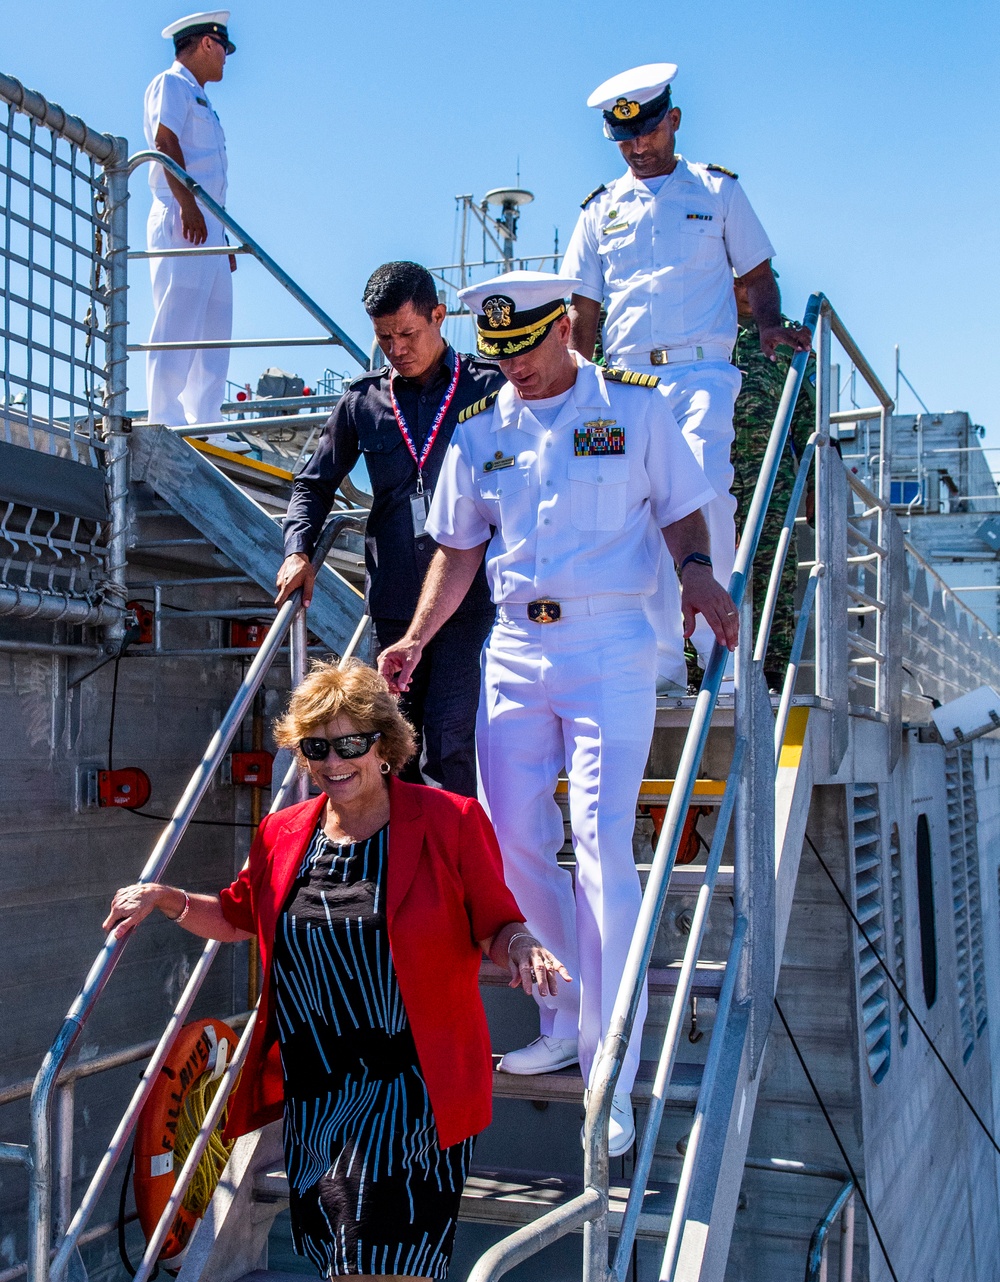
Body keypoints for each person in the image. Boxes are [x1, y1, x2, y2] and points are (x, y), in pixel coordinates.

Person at [104, 660, 568, 1282]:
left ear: (384, 745)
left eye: (351, 742)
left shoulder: (449, 819)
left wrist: (523, 946)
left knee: (384, 1225)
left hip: (413, 1069)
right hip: (321, 1069)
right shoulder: (285, 833)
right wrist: (169, 901)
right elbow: (240, 914)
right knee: (337, 1237)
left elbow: (496, 920)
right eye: (318, 748)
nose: (335, 760)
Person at [378, 271, 737, 1156]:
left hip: (609, 644)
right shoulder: (481, 430)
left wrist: (696, 574)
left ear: (567, 328)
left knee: (604, 850)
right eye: (498, 355)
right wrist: (419, 638)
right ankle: (564, 1008)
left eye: (528, 351)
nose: (515, 371)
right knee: (512, 844)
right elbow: (459, 548)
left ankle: (609, 1053)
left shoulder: (640, 411)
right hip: (514, 646)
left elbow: (683, 515)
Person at [561, 62, 811, 692]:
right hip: (622, 382)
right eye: (624, 140)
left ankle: (719, 657)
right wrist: (577, 383)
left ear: (672, 120)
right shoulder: (599, 210)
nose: (637, 147)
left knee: (706, 495)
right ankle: (666, 662)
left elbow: (757, 276)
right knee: (631, 510)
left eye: (647, 132)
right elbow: (582, 309)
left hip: (700, 371)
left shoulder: (717, 191)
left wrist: (770, 325)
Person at [277, 262, 501, 795]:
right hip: (395, 603)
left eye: (408, 334)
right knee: (394, 746)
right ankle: (402, 866)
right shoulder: (363, 401)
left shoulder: (490, 387)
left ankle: (455, 868)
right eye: (384, 339)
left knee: (451, 741)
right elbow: (312, 483)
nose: (396, 349)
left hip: (471, 602)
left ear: (439, 317)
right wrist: (299, 551)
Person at [143, 10, 239, 432]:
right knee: (179, 317)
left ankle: (206, 421)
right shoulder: (172, 84)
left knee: (215, 326)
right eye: (223, 49)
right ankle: (165, 415)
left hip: (208, 225)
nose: (225, 58)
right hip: (183, 217)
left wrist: (223, 232)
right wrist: (188, 206)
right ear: (205, 43)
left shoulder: (203, 100)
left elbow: (212, 174)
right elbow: (165, 141)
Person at [732, 275, 816, 689]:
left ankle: (772, 674)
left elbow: (806, 416)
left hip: (772, 482)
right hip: (718, 478)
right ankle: (695, 674)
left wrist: (814, 483)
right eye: (738, 284)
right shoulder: (701, 327)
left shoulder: (783, 338)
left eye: (754, 285)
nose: (746, 293)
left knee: (775, 576)